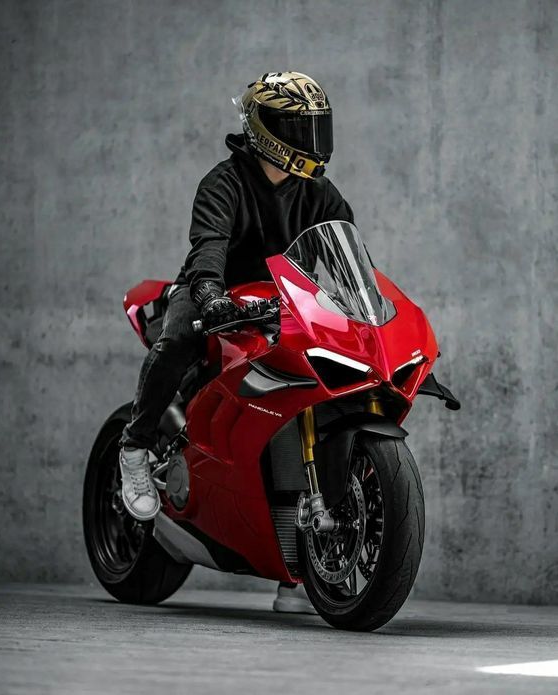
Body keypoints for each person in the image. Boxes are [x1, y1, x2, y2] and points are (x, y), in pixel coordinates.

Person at [118, 71, 354, 614]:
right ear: (267, 129)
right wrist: (208, 294)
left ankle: (294, 574)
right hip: (216, 294)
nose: (314, 138)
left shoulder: (320, 193)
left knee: (309, 396)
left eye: (317, 125)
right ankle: (135, 445)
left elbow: (346, 257)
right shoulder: (223, 183)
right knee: (179, 337)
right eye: (301, 126)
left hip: (287, 305)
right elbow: (208, 249)